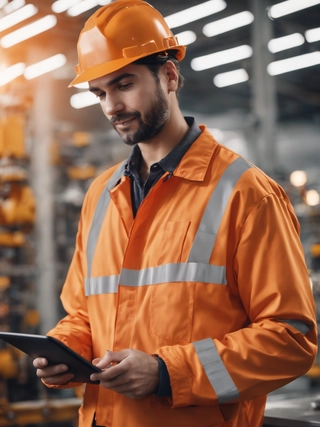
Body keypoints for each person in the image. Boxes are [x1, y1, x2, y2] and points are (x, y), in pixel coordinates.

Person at [33, 1, 317, 426]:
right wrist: (65, 351)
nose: (112, 107)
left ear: (168, 75)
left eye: (124, 85)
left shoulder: (247, 192)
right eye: (100, 94)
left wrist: (167, 372)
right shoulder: (101, 194)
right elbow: (83, 312)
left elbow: (290, 339)